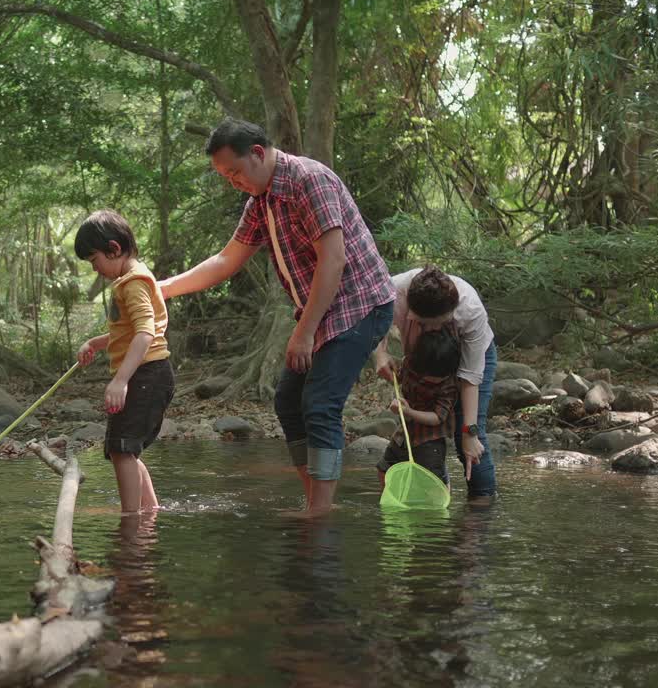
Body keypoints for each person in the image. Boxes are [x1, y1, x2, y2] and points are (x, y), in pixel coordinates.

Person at [159, 117, 395, 516]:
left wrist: (302, 333)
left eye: (235, 172)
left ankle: (320, 510)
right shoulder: (261, 202)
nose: (233, 182)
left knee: (320, 403)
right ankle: (315, 501)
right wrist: (160, 288)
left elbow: (333, 261)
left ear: (257, 153)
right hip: (322, 311)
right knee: (289, 401)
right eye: (225, 177)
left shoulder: (308, 180)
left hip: (361, 305)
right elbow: (225, 260)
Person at [75, 210, 175, 514]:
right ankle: (149, 513)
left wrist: (120, 380)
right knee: (124, 450)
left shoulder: (132, 283)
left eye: (95, 261)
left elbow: (145, 333)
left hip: (146, 374)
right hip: (148, 373)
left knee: (122, 450)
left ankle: (131, 519)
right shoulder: (133, 280)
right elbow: (129, 330)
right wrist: (97, 342)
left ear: (114, 249)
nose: (96, 269)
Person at [373, 266, 498, 498]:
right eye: (422, 324)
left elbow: (469, 377)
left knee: (468, 440)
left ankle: (481, 509)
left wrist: (470, 433)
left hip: (470, 357)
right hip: (422, 362)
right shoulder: (392, 291)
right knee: (413, 434)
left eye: (440, 324)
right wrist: (380, 353)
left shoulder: (471, 311)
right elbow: (376, 315)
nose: (431, 330)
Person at [377, 328, 461, 490]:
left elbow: (438, 417)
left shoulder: (448, 386)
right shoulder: (412, 365)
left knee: (433, 481)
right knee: (384, 468)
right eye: (425, 375)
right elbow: (398, 377)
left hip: (430, 439)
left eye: (437, 378)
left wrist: (408, 412)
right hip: (405, 433)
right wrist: (391, 367)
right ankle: (391, 499)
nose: (429, 380)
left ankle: (439, 507)